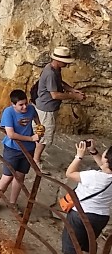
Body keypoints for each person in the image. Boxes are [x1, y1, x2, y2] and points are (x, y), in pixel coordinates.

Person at [60, 140, 112, 254]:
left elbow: (70, 173)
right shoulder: (107, 175)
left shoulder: (93, 176)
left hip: (81, 213)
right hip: (101, 217)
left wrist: (79, 156)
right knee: (88, 240)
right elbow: (105, 167)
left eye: (105, 153)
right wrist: (93, 151)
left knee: (73, 240)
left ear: (107, 160)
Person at [0, 89, 42, 214]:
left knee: (20, 177)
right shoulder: (8, 112)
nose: (24, 107)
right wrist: (31, 138)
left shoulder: (31, 109)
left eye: (25, 103)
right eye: (21, 105)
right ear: (13, 104)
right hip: (13, 148)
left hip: (28, 149)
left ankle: (13, 203)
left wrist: (39, 128)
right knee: (7, 177)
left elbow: (36, 118)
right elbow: (11, 134)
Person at [33, 46, 86, 174]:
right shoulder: (51, 73)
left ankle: (33, 155)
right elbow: (55, 95)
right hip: (47, 109)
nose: (67, 64)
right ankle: (35, 160)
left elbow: (60, 83)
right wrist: (74, 96)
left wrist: (72, 89)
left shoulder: (52, 68)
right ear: (58, 60)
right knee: (44, 135)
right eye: (65, 62)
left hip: (44, 107)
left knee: (40, 132)